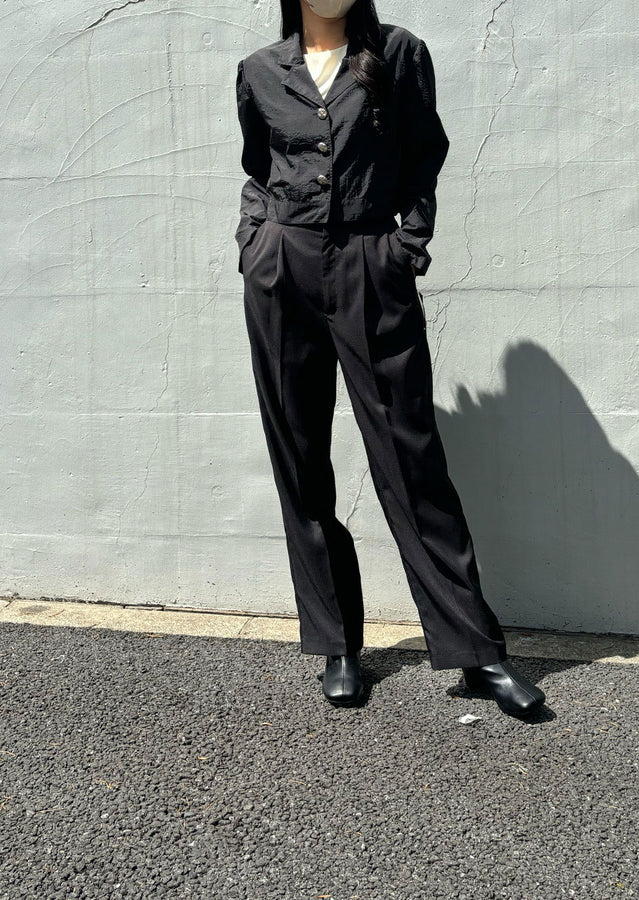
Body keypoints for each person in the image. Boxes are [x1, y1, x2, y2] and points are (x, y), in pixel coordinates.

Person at [235, 0, 546, 717]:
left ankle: (476, 651)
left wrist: (406, 243)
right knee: (299, 456)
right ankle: (338, 643)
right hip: (281, 267)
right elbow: (258, 164)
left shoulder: (397, 53)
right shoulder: (259, 70)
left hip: (371, 264)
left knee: (411, 458)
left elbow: (424, 151)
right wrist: (254, 240)